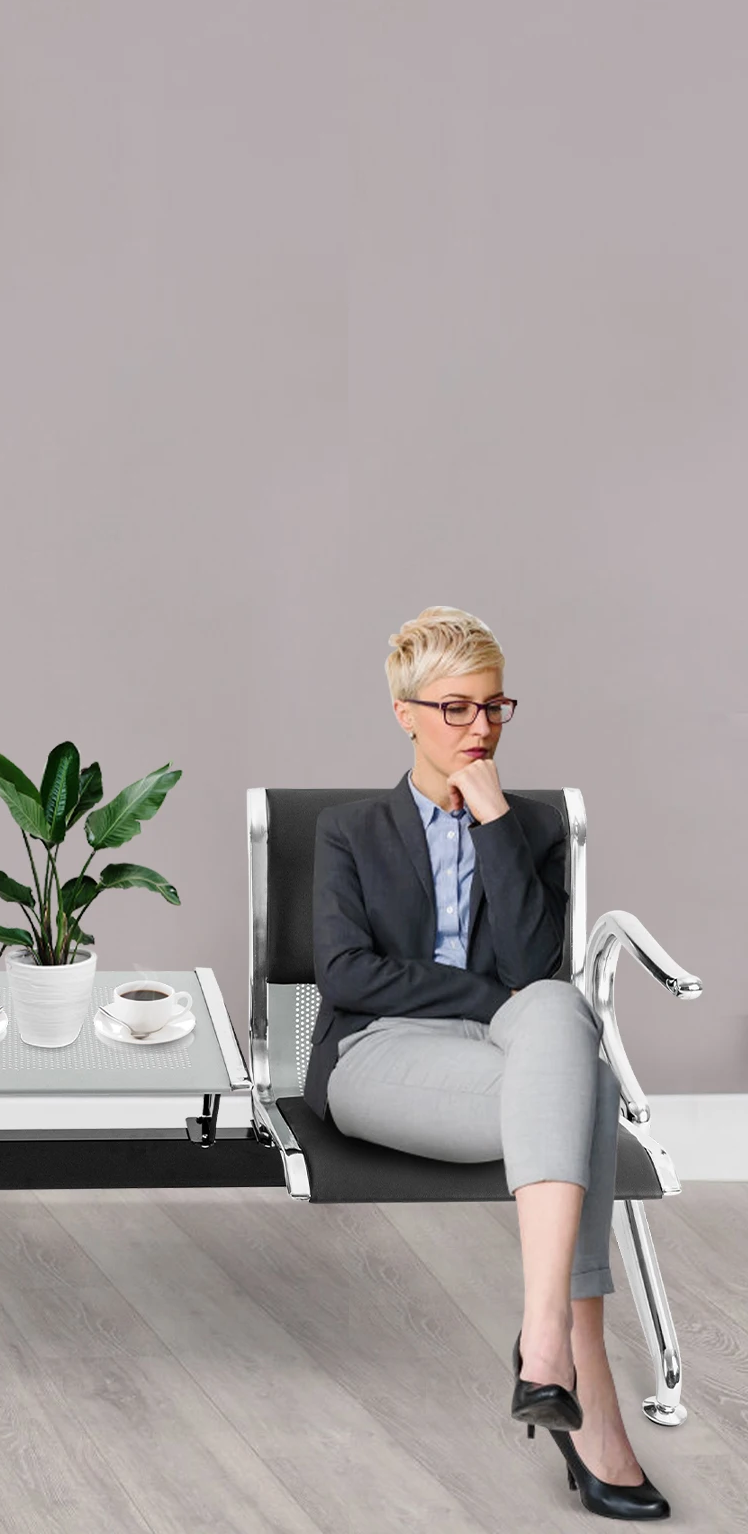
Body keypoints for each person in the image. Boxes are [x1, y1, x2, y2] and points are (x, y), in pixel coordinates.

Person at [306, 607, 669, 1522]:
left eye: (496, 709)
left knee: (560, 1010)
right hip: (380, 1057)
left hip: (509, 1058)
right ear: (405, 712)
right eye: (457, 709)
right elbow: (347, 976)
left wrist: (497, 820)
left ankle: (544, 1338)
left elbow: (536, 969)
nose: (480, 729)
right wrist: (489, 1001)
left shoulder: (531, 826)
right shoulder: (350, 831)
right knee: (572, 1072)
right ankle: (576, 1368)